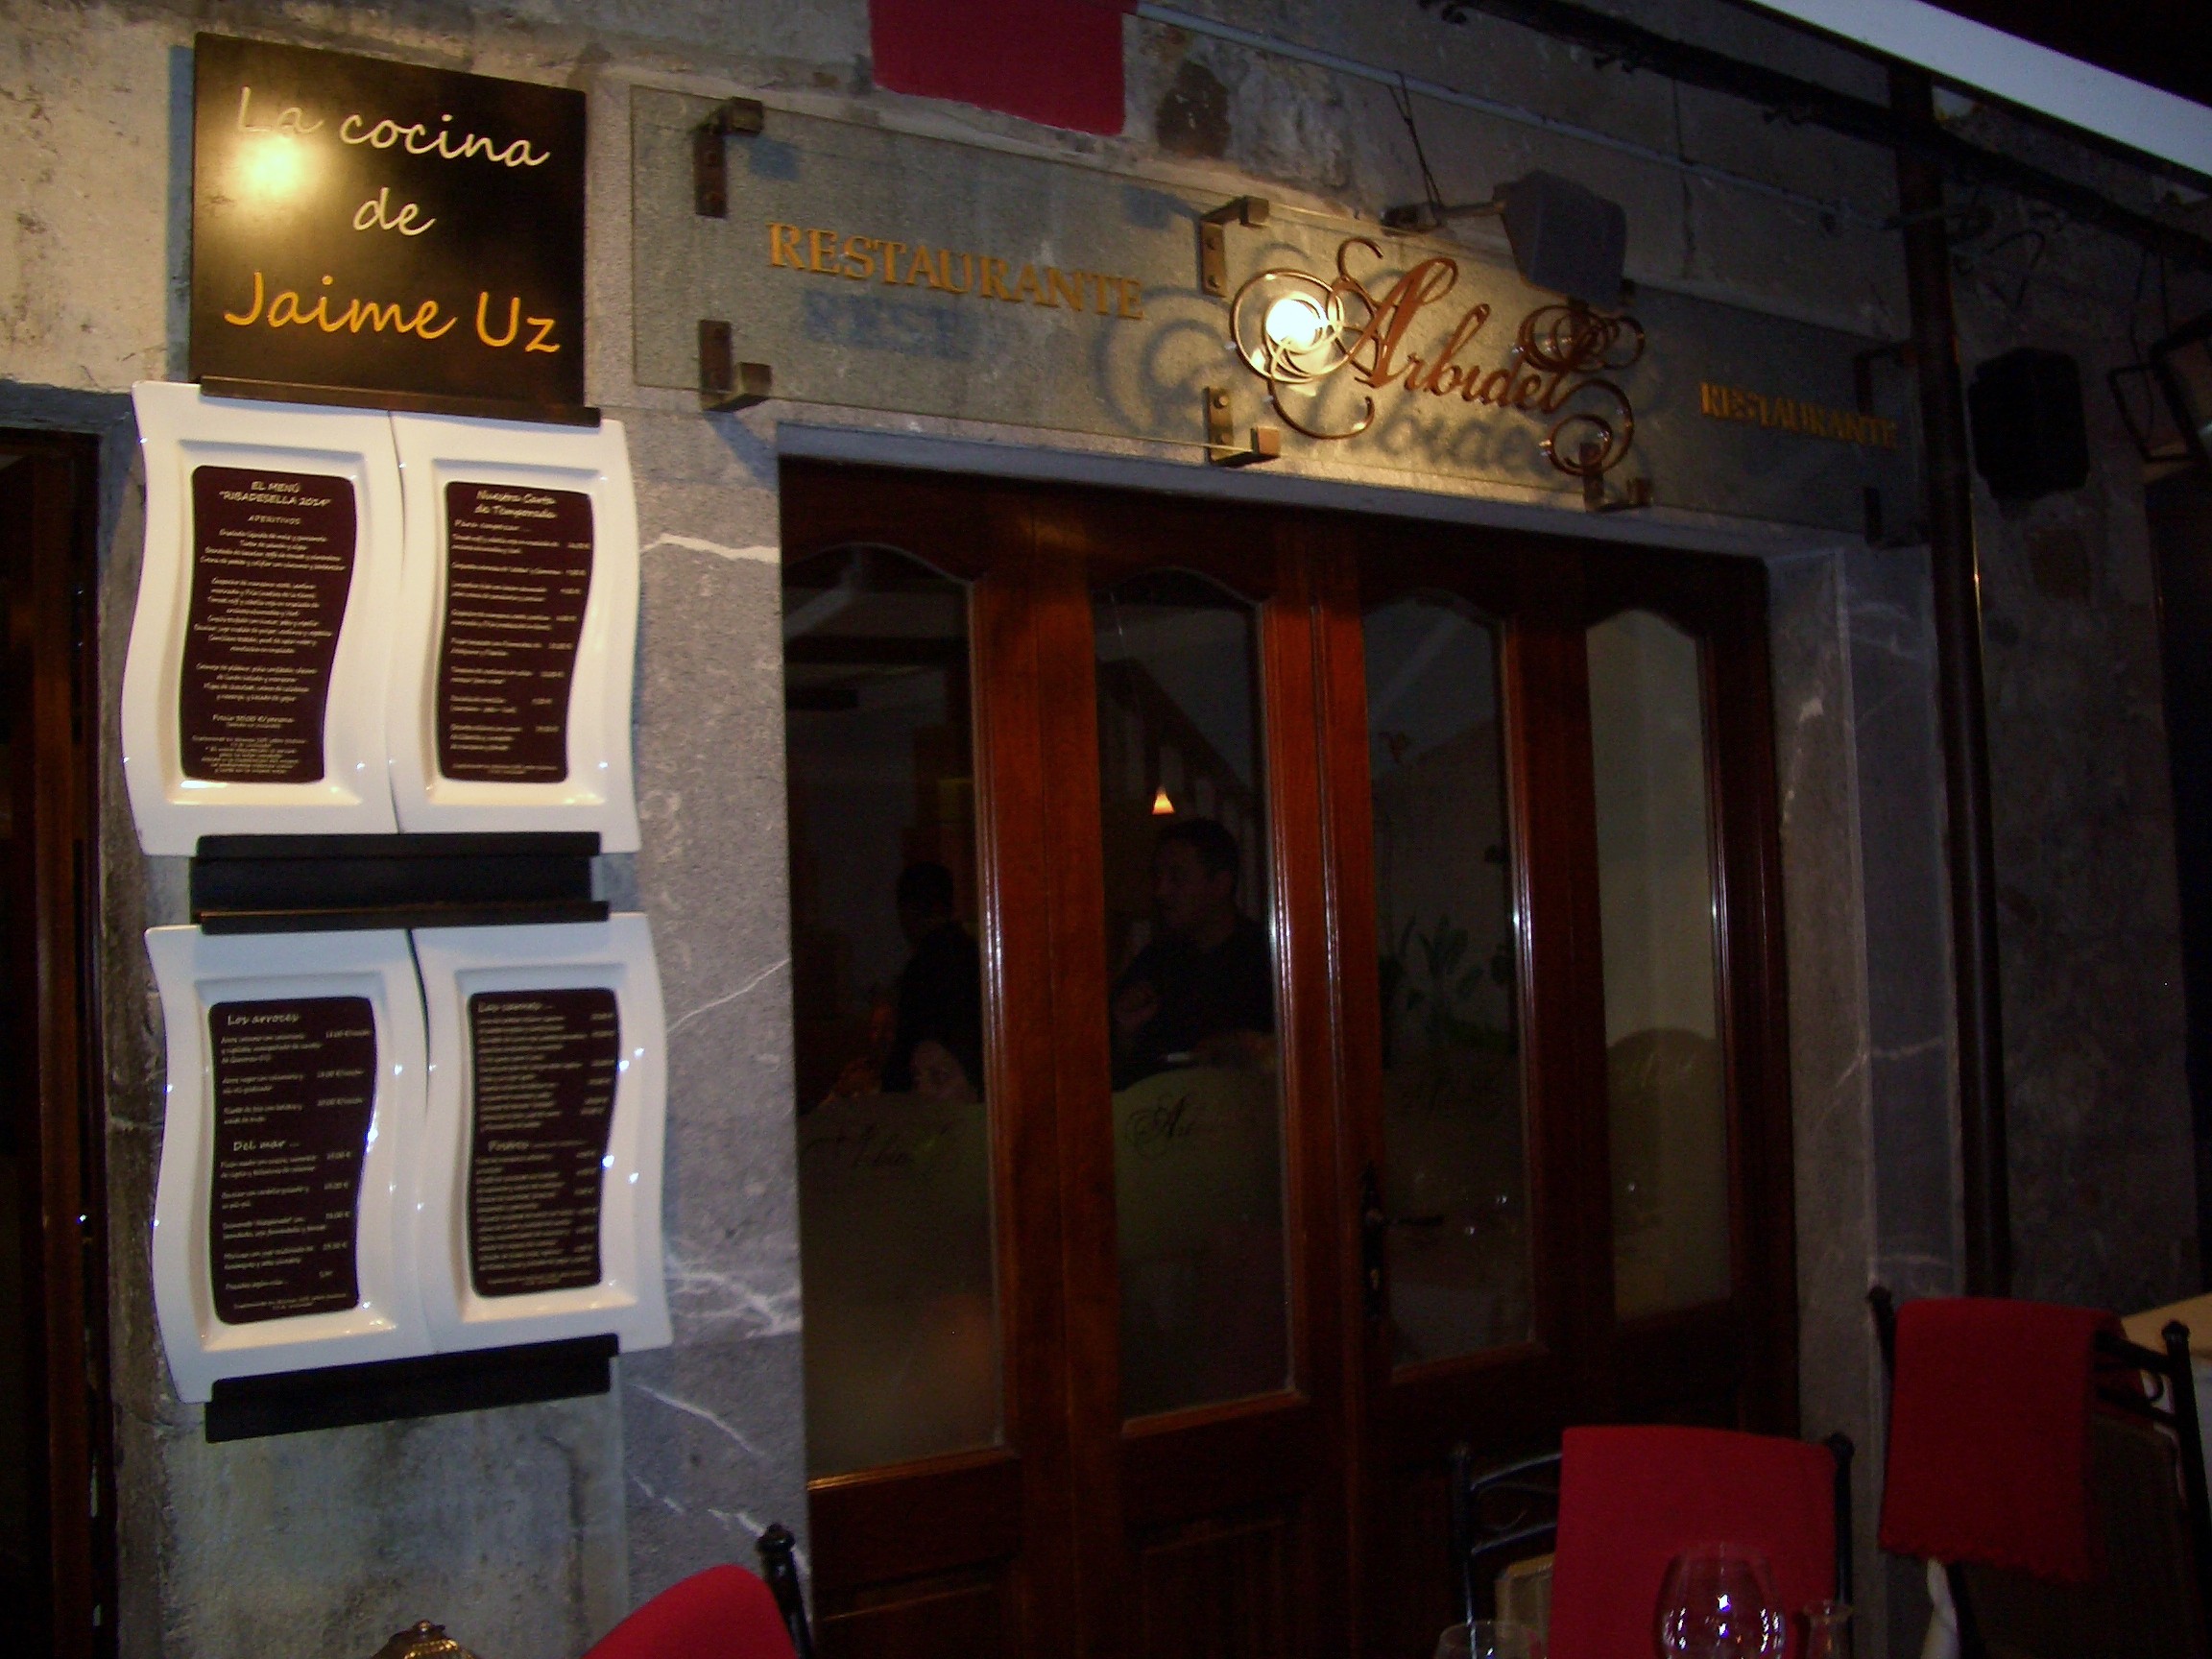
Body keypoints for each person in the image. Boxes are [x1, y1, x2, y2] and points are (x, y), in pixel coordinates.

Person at [1111, 818, 1276, 1090]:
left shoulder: (1267, 960)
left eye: (1177, 878)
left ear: (1220, 884)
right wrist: (1123, 1033)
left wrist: (1249, 1048)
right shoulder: (1157, 961)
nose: (1161, 891)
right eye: (1158, 877)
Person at [882, 861, 984, 1097]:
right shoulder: (973, 955)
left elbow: (908, 1043)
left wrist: (892, 1089)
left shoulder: (925, 967)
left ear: (908, 911)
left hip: (945, 1094)